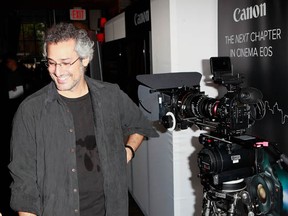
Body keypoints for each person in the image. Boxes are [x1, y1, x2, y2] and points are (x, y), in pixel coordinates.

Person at [8, 22, 158, 216]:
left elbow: (139, 124)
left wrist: (128, 151)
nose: (57, 71)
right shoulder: (30, 110)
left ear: (85, 59)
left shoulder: (111, 95)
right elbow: (23, 182)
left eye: (65, 62)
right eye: (52, 63)